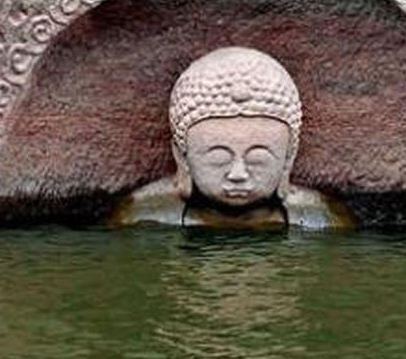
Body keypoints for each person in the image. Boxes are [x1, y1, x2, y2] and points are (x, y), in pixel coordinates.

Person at [112, 46, 354, 229]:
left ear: (288, 157)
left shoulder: (320, 220)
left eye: (258, 159)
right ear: (182, 156)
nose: (238, 174)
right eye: (218, 159)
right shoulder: (144, 218)